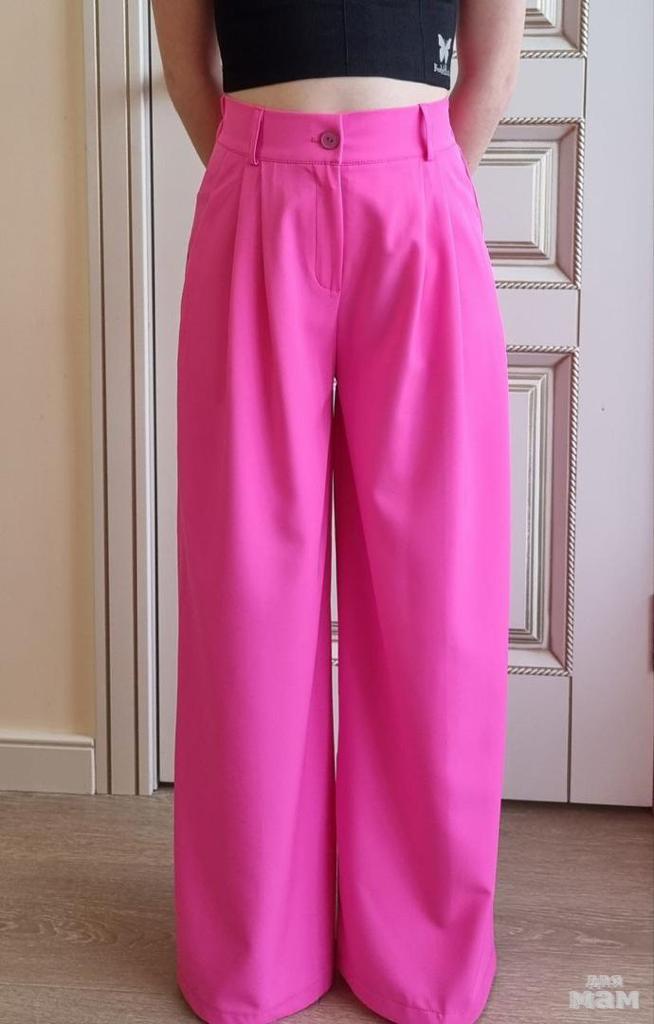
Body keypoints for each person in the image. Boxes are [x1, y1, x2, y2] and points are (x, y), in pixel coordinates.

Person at [152, 3, 525, 1024]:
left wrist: (405, 179)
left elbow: (491, 73)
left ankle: (416, 953)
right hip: (262, 194)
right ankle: (256, 953)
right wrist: (271, 174)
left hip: (415, 200)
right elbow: (188, 69)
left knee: (435, 594)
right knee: (246, 588)